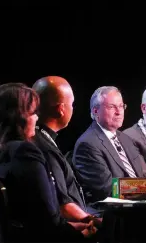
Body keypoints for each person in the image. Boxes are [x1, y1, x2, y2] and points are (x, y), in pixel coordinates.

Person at [0, 83, 95, 242]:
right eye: (33, 113)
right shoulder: (24, 153)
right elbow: (48, 225)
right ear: (17, 118)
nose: (37, 118)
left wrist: (73, 227)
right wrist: (83, 234)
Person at [31, 76, 102, 226]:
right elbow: (63, 204)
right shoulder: (44, 148)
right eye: (72, 104)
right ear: (61, 109)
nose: (73, 108)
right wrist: (93, 222)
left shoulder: (37, 139)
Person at [72, 86, 146, 202]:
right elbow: (108, 188)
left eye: (121, 106)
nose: (119, 112)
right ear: (95, 111)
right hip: (112, 212)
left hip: (140, 202)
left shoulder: (125, 138)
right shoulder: (88, 144)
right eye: (111, 107)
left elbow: (141, 175)